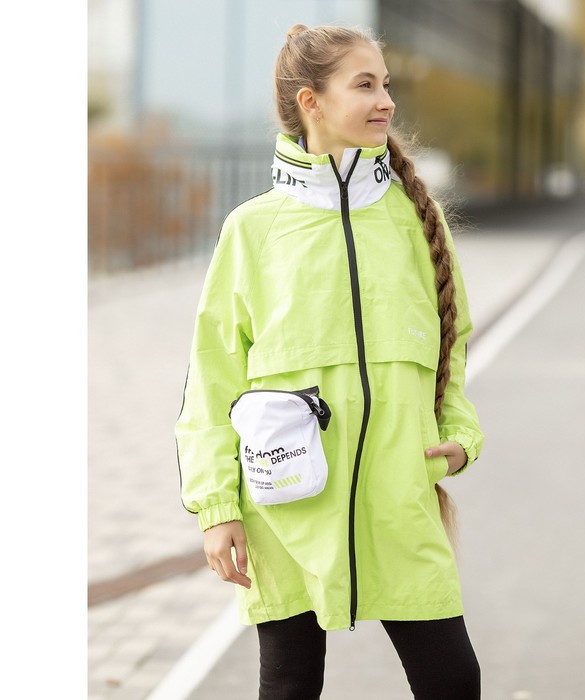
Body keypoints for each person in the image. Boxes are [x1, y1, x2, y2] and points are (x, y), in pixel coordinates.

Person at [175, 23, 485, 699]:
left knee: (453, 678)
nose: (386, 100)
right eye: (364, 85)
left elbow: (451, 345)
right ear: (311, 102)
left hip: (400, 498)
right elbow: (213, 379)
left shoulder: (416, 218)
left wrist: (460, 436)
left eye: (386, 85)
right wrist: (217, 508)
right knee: (289, 684)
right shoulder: (251, 230)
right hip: (287, 504)